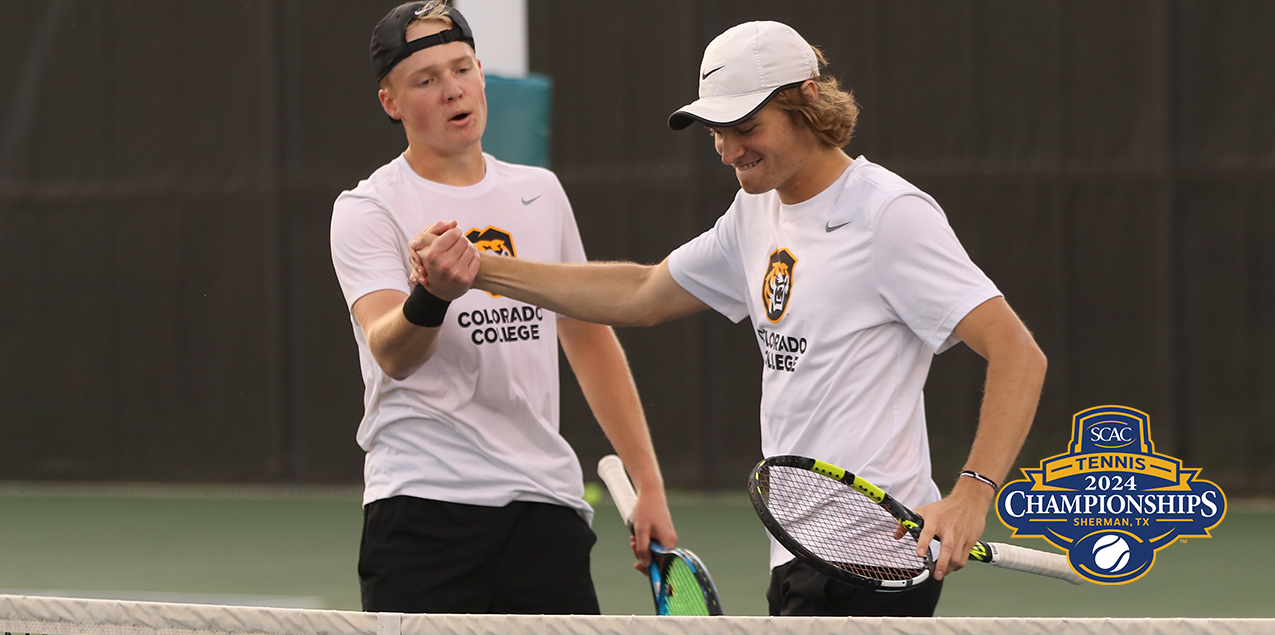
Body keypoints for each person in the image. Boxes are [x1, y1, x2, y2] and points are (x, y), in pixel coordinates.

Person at [412, 20, 1047, 617]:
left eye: (744, 125)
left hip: (873, 556)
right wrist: (479, 270)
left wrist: (972, 494)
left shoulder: (890, 215)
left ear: (805, 100)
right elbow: (641, 293)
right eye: (716, 129)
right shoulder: (755, 215)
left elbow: (1019, 353)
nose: (726, 149)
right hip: (796, 548)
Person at [329, 1, 676, 615]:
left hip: (546, 507)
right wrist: (431, 295)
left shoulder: (539, 191)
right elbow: (391, 354)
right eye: (426, 79)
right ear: (392, 102)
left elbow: (589, 339)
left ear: (482, 73)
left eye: (461, 68)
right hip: (422, 507)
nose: (452, 89)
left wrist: (648, 483)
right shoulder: (367, 210)